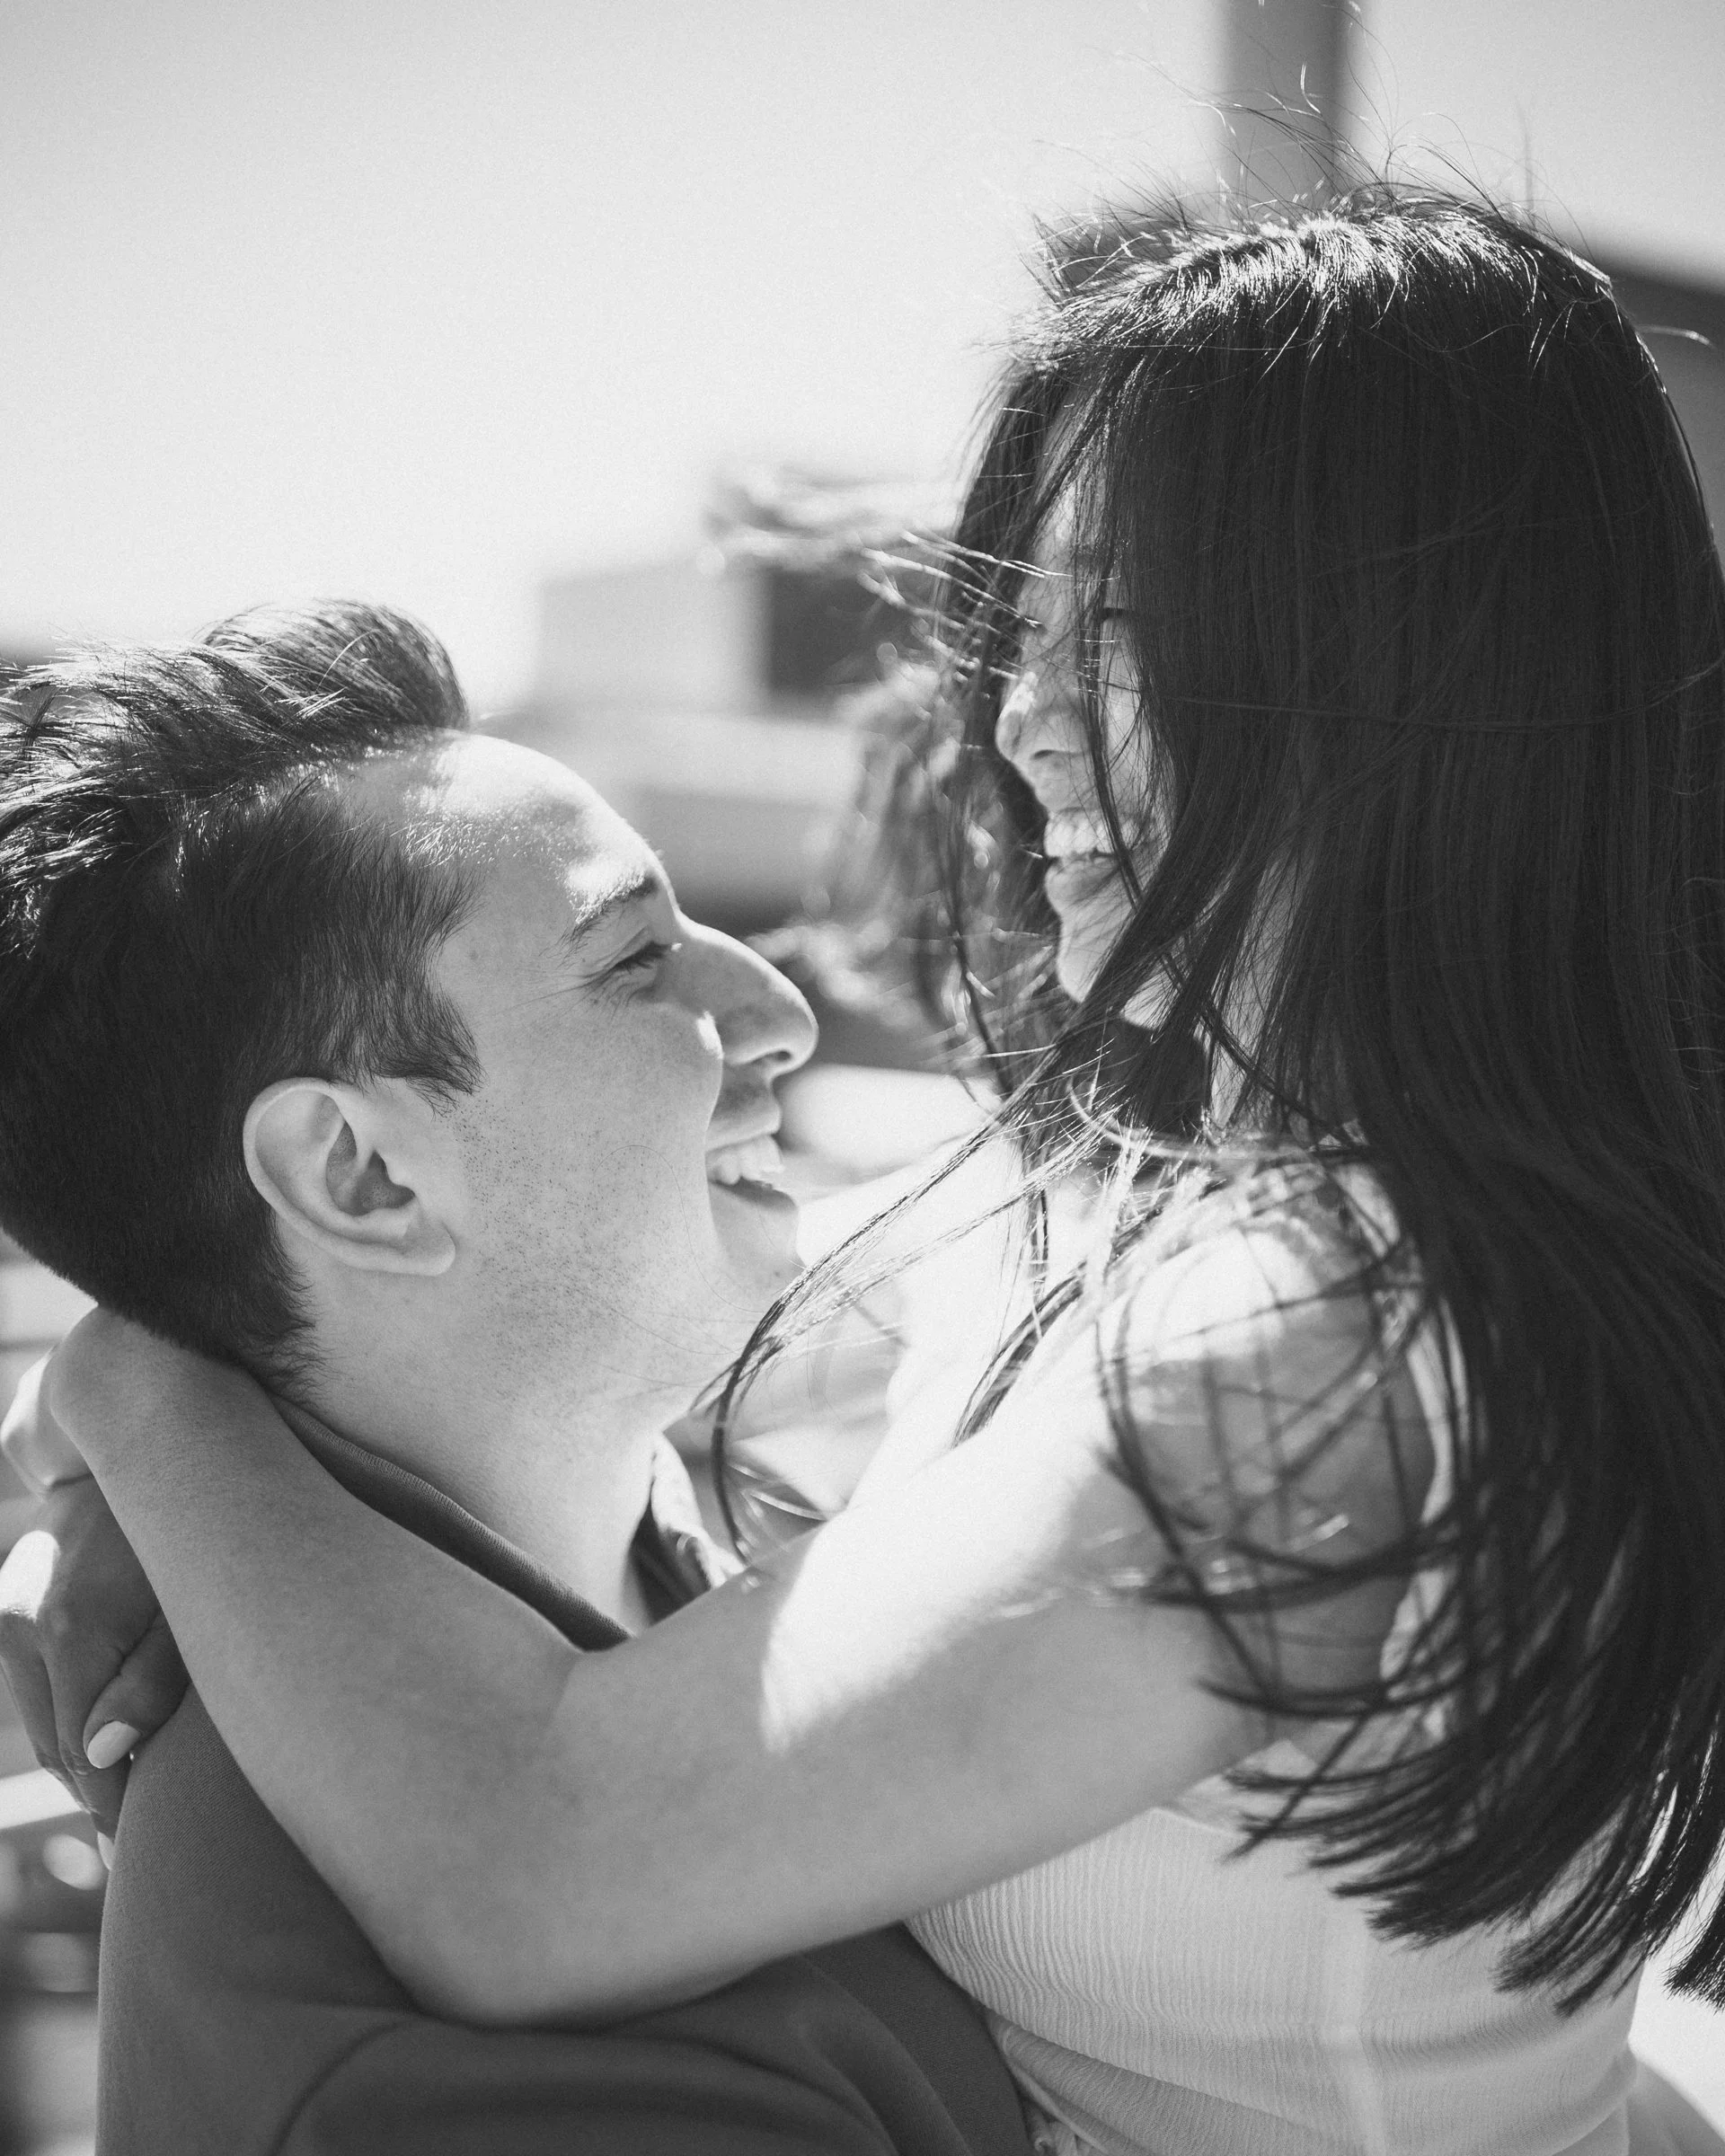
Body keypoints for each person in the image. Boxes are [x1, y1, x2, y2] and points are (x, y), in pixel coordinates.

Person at [11, 188, 1725, 2155]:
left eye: (1118, 633)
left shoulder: (1339, 1357)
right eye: (1024, 634)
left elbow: (537, 1860)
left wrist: (147, 1402)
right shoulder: (1138, 1212)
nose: (1020, 723)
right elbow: (540, 1319)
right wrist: (185, 1418)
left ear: (1411, 670)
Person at [0, 606, 1036, 2156]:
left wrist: (138, 1398)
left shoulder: (652, 1537)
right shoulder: (433, 2080)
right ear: (361, 1175)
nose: (782, 1013)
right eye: (635, 958)